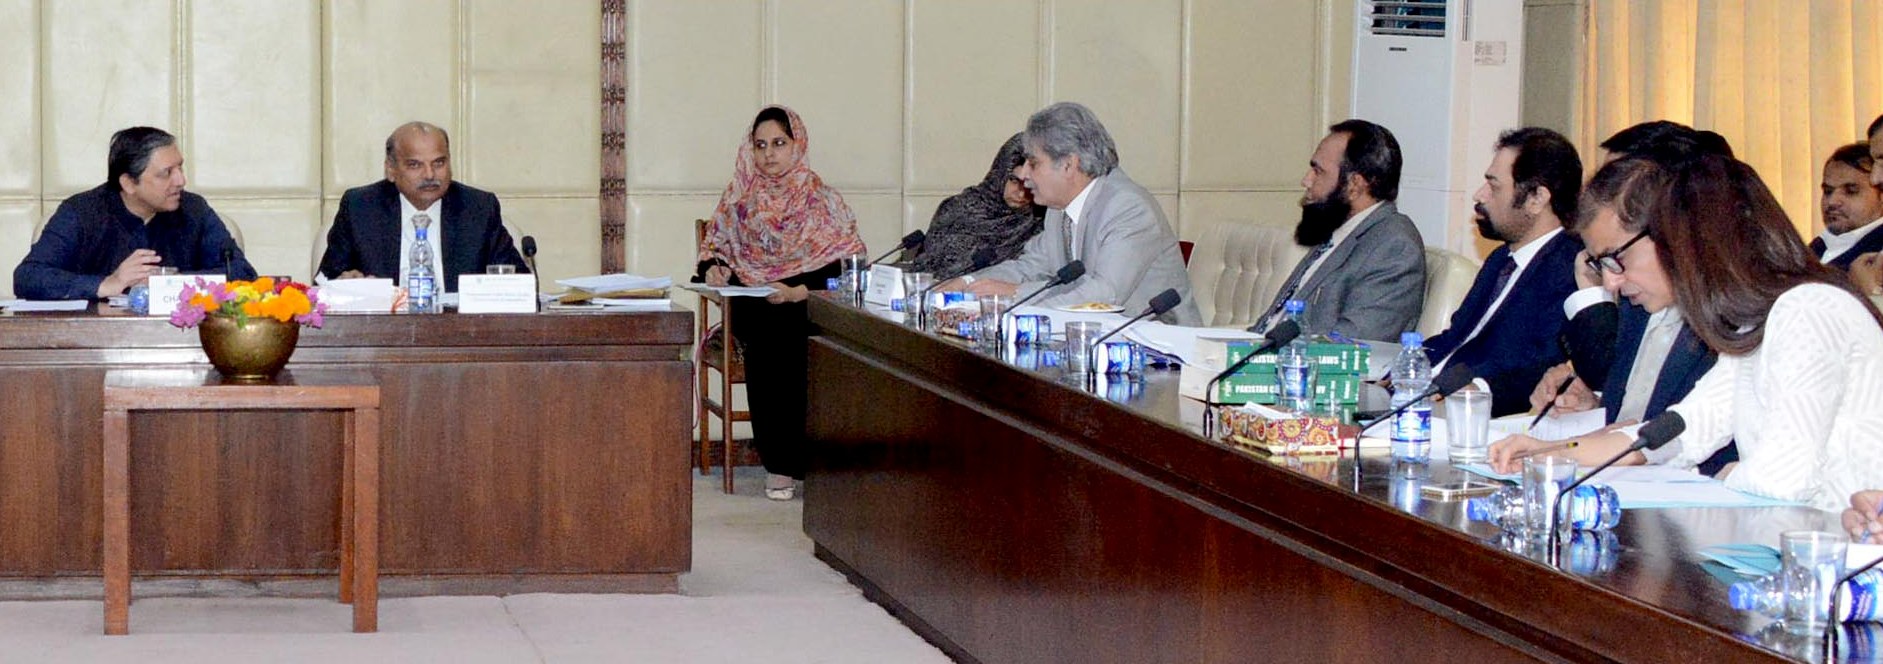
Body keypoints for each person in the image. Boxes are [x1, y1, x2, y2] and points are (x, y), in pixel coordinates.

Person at [1490, 154, 1883, 511]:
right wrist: (1553, 452)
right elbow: (1684, 429)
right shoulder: (1753, 321)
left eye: (1617, 259)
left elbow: (1783, 481)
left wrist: (1724, 475)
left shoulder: (1806, 309)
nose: (1610, 283)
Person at [1527, 122, 1738, 476]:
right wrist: (1591, 408)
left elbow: (1694, 439)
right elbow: (1645, 422)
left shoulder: (1731, 315)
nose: (1611, 281)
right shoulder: (1639, 301)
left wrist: (1560, 450)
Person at [695, 105, 866, 501]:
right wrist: (715, 270)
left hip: (806, 299)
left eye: (778, 143)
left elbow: (846, 264)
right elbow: (714, 251)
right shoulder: (739, 197)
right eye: (760, 145)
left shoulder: (822, 200)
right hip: (756, 302)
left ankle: (818, 460)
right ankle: (780, 465)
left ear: (797, 145)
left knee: (805, 334)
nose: (769, 154)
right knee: (772, 336)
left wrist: (796, 292)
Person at [940, 102, 1201, 326]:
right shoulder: (1059, 209)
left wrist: (1013, 298)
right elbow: (1029, 266)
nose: (1024, 174)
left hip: (1164, 356)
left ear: (1068, 164)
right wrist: (968, 283)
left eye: (1034, 163)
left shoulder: (1127, 207)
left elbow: (1104, 294)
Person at [1421, 128, 1584, 416]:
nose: (1479, 195)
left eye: (1494, 187)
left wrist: (1474, 394)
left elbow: (1541, 368)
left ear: (1536, 199)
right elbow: (1457, 337)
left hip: (1476, 415)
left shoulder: (1570, 268)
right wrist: (1403, 370)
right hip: (1427, 397)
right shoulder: (1501, 259)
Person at [14, 126, 255, 300]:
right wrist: (109, 283)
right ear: (129, 183)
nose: (181, 180)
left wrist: (168, 283)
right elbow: (29, 277)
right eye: (166, 173)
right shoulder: (80, 213)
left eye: (180, 167)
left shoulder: (194, 210)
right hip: (94, 344)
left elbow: (243, 274)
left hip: (182, 341)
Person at [1251, 120, 1424, 341]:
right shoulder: (1339, 231)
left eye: (1318, 171)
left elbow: (1350, 345)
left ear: (1355, 184)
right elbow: (1272, 321)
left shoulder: (1394, 247)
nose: (1306, 180)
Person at [317, 121, 527, 292]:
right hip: (382, 336)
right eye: (415, 165)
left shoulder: (478, 209)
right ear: (390, 169)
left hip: (461, 334)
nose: (429, 175)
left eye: (438, 163)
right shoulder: (360, 208)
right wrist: (344, 285)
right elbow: (323, 285)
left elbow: (520, 283)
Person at [908, 133, 1045, 281]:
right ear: (1000, 174)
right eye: (1014, 181)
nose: (1021, 193)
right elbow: (928, 267)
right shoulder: (958, 210)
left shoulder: (1041, 220)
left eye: (1029, 184)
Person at [1810, 142, 1883, 270]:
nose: (1832, 201)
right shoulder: (1814, 248)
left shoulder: (1878, 257)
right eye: (1828, 191)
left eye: (1851, 191)